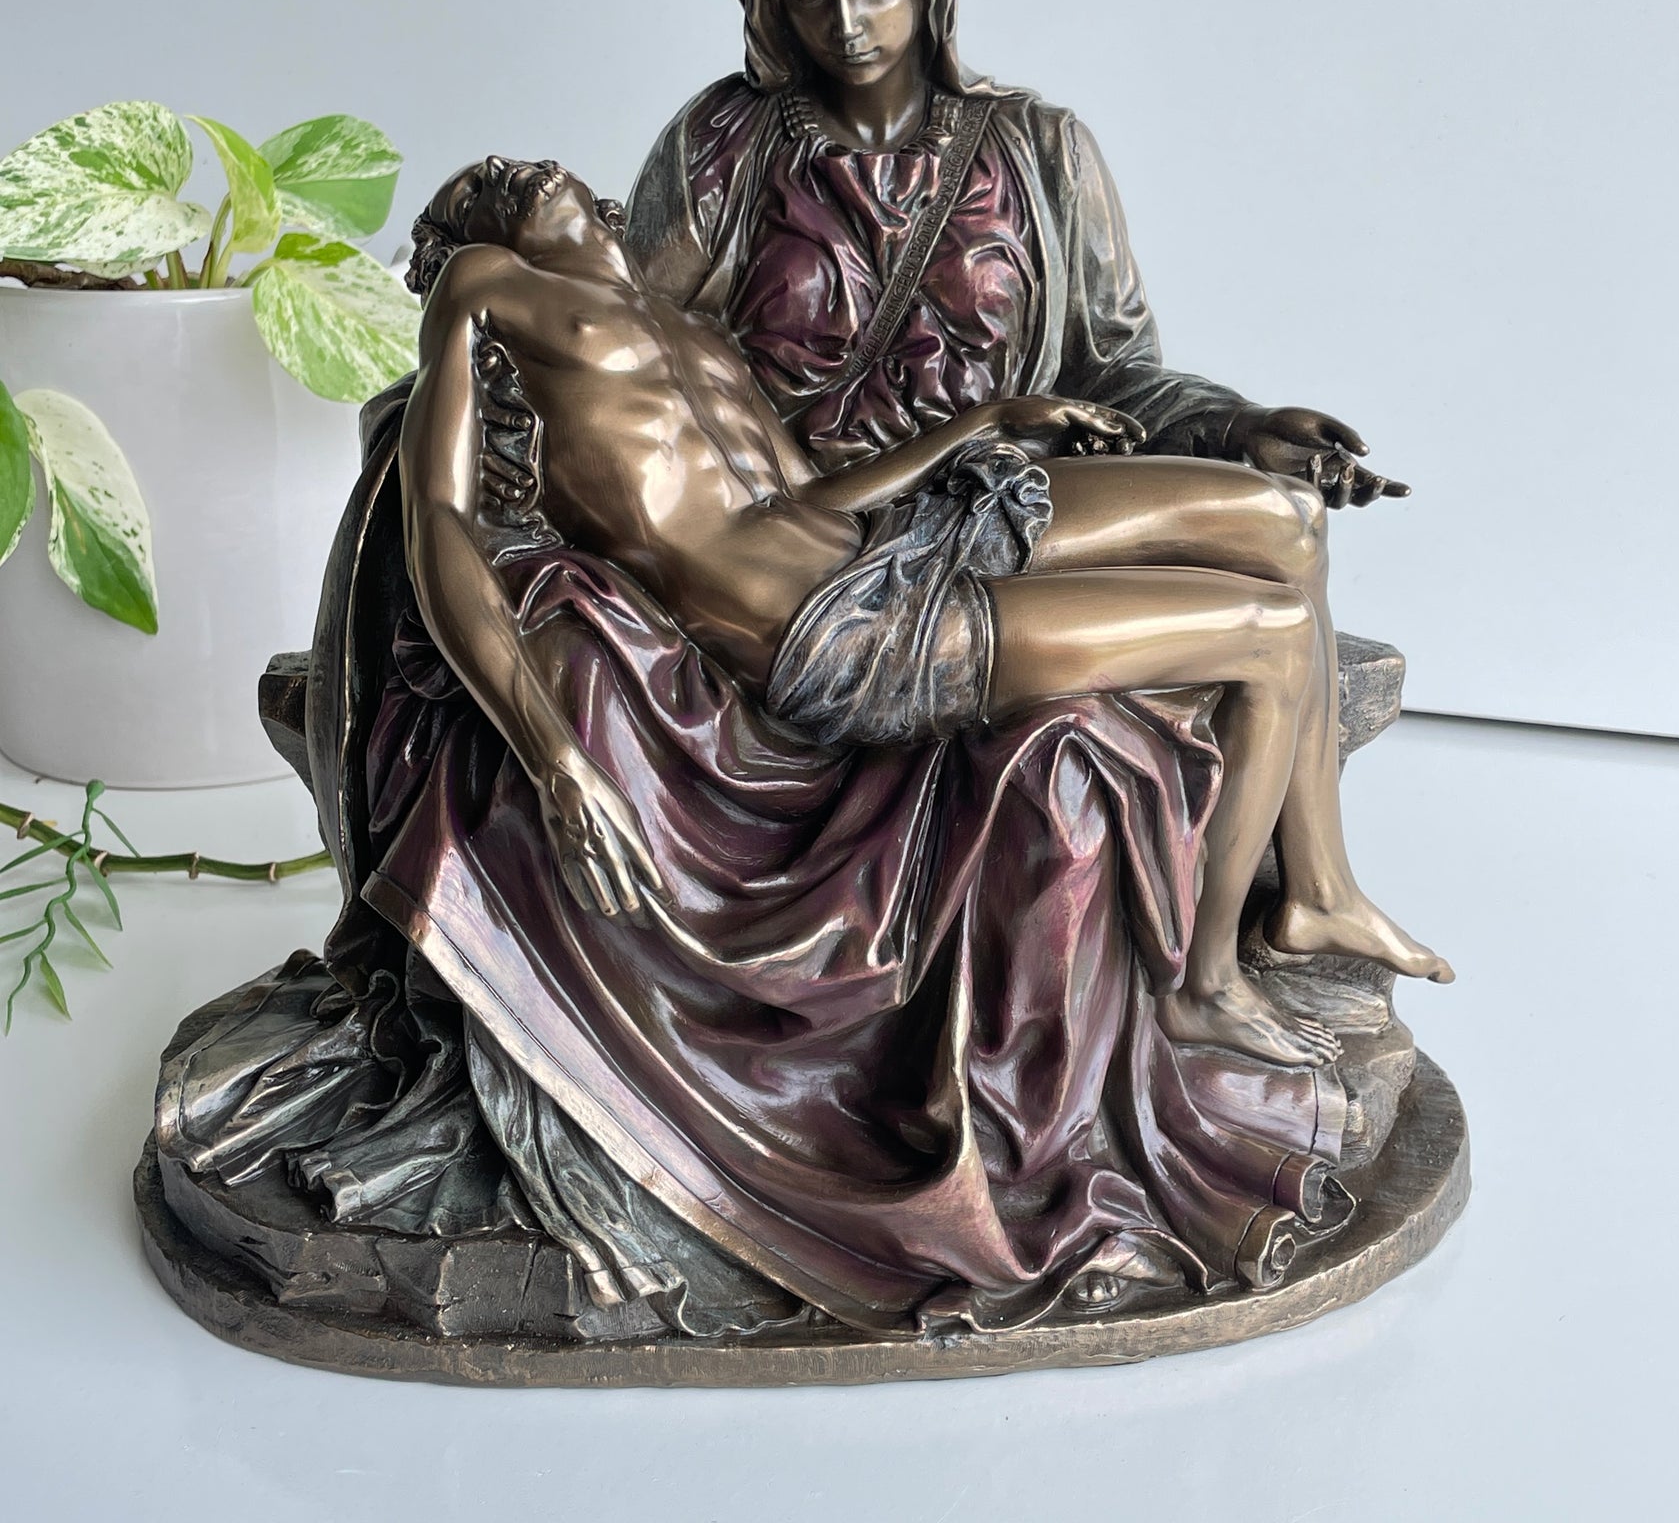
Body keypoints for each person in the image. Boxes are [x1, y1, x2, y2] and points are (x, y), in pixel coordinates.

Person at [402, 155, 1449, 1077]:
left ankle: (1318, 889)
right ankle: (1203, 985)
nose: (504, 170)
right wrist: (555, 757)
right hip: (830, 632)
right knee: (1269, 633)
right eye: (475, 190)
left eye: (507, 163)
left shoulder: (691, 331)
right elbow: (439, 523)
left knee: (1287, 519)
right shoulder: (486, 285)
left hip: (888, 540)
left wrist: (983, 424)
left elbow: (810, 497)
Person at [625, 0, 1431, 997]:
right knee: (1267, 560)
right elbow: (620, 347)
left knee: (1288, 515)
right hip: (834, 530)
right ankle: (1265, 929)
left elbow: (1118, 371)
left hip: (1006, 490)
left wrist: (1242, 428)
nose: (847, 22)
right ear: (766, 1)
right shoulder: (725, 149)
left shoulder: (1039, 151)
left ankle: (1315, 890)